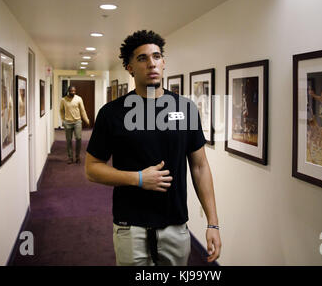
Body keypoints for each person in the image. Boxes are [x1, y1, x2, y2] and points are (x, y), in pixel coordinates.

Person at [85, 30, 221, 266]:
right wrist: (137, 178)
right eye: (142, 58)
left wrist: (213, 222)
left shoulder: (186, 109)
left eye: (156, 56)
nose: (151, 64)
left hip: (175, 226)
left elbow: (199, 167)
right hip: (130, 227)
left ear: (164, 62)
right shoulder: (112, 113)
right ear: (129, 67)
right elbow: (92, 169)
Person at [60, 86, 90, 164]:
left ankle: (77, 156)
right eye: (71, 91)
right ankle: (70, 157)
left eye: (74, 91)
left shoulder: (79, 99)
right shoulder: (63, 100)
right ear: (68, 91)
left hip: (77, 122)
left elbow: (83, 110)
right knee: (69, 140)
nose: (73, 92)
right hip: (68, 122)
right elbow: (61, 111)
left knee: (79, 138)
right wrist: (63, 121)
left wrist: (87, 120)